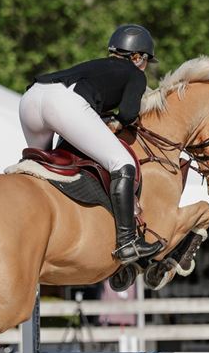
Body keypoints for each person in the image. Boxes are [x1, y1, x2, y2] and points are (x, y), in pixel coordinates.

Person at [19, 24, 163, 264]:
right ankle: (127, 242)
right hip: (63, 104)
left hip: (32, 97)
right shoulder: (135, 74)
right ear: (137, 57)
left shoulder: (96, 66)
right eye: (146, 60)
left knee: (39, 167)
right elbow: (128, 114)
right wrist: (118, 122)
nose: (145, 66)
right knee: (123, 164)